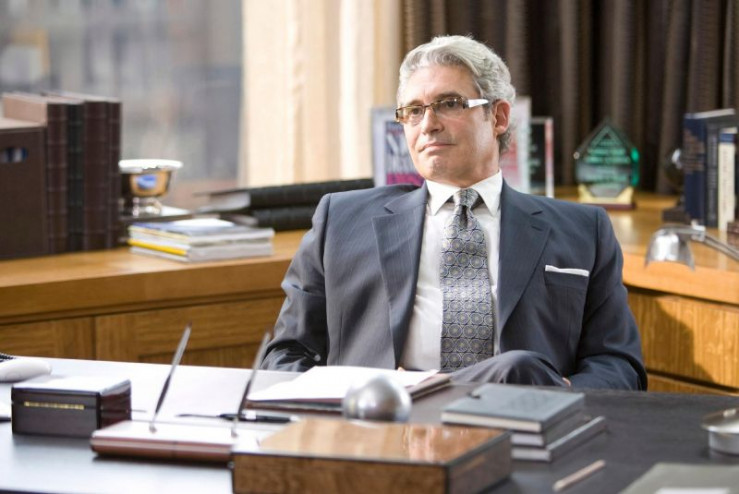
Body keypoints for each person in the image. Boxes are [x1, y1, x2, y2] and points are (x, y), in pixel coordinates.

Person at [261, 35, 647, 390]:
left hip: (523, 421)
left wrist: (560, 398)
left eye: (449, 104)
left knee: (519, 372)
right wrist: (347, 404)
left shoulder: (584, 230)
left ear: (498, 117)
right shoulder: (342, 221)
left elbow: (619, 365)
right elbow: (285, 356)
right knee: (518, 369)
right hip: (385, 421)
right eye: (413, 111)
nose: (428, 125)